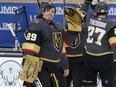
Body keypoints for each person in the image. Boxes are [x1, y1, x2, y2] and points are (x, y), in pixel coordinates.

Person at [20, 3, 69, 87]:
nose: (50, 13)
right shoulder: (36, 24)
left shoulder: (57, 26)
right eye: (47, 11)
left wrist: (65, 66)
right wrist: (30, 71)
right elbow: (30, 49)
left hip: (55, 67)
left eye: (53, 11)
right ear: (42, 11)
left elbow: (61, 48)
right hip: (41, 68)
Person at [82, 1, 116, 87]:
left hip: (89, 57)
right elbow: (114, 43)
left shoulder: (89, 18)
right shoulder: (111, 23)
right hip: (105, 58)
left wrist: (86, 3)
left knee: (88, 84)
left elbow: (81, 14)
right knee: (108, 85)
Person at [64, 3, 86, 87]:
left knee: (78, 84)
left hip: (79, 61)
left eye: (78, 12)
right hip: (66, 61)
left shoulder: (85, 28)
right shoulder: (65, 27)